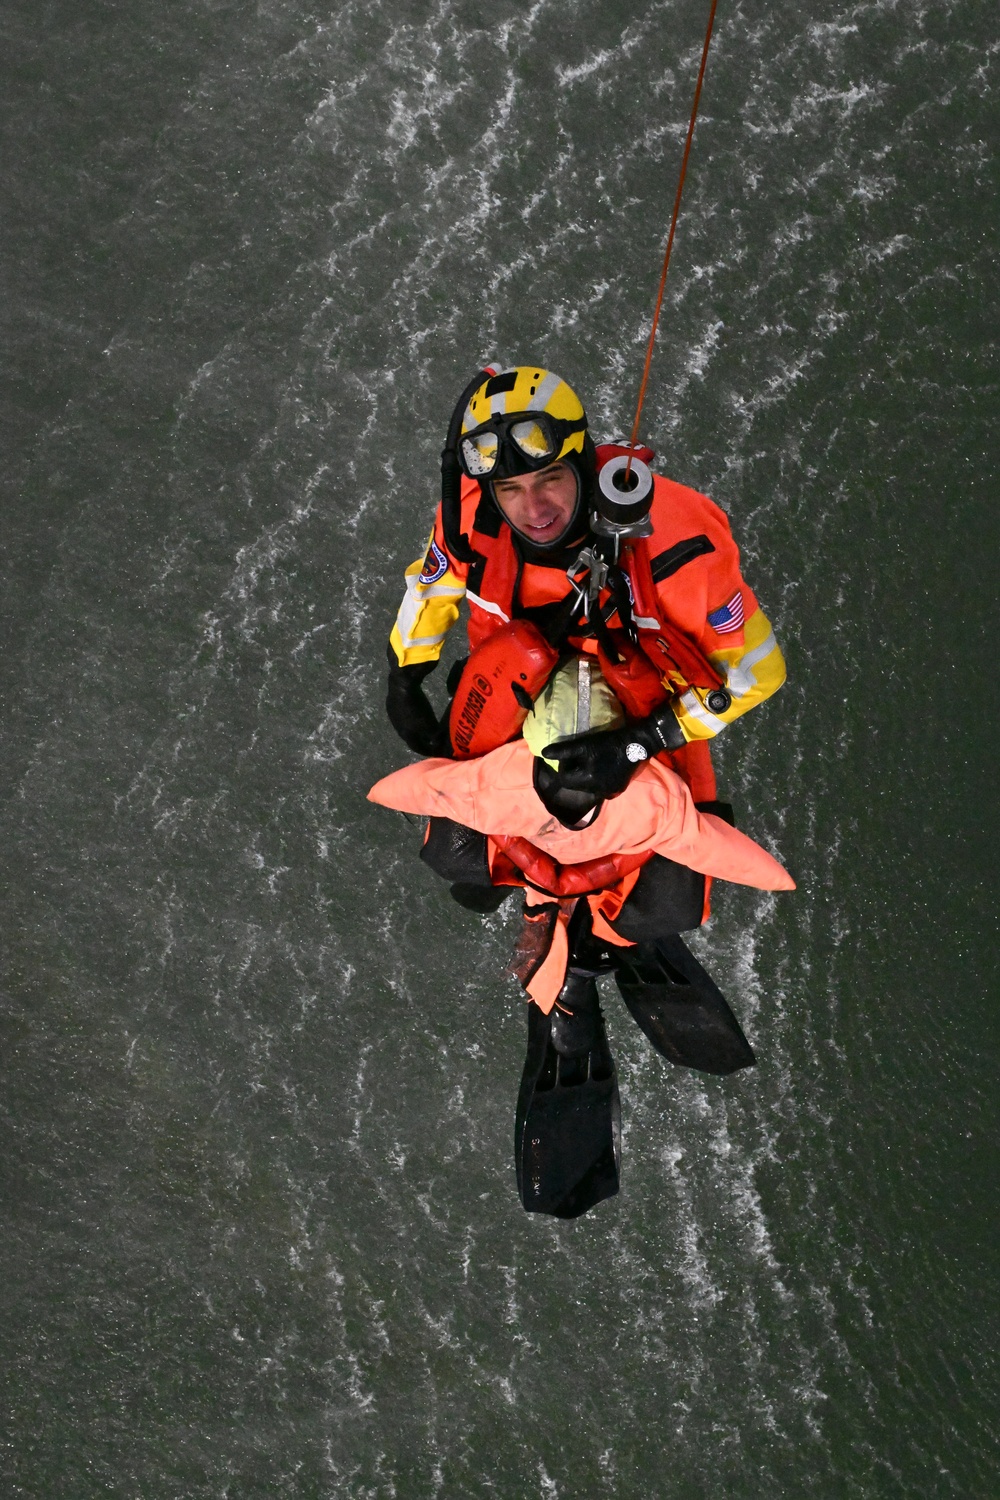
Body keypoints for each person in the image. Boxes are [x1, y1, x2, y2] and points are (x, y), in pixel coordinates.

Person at [385, 364, 786, 816]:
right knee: (463, 862)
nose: (533, 509)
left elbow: (758, 673)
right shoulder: (470, 515)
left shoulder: (676, 543)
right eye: (510, 488)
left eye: (550, 478)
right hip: (509, 705)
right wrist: (404, 673)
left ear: (583, 460)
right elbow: (434, 583)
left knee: (658, 881)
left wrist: (638, 744)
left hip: (642, 736)